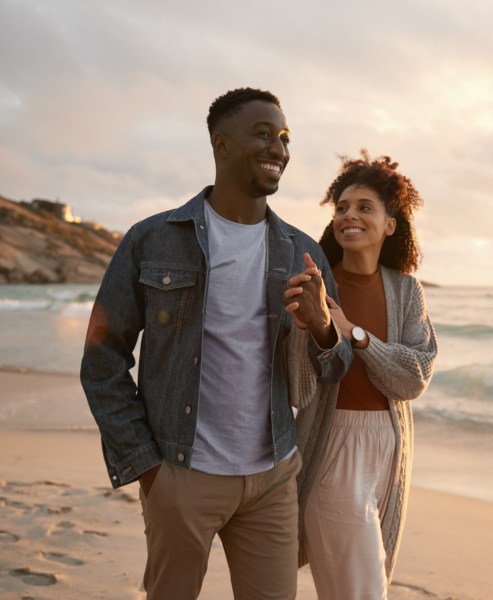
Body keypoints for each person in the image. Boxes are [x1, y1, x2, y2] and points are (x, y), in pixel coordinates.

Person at [80, 87, 352, 600]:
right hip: (182, 474)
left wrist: (322, 326)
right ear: (221, 144)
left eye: (286, 138)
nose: (280, 149)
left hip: (272, 476)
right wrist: (147, 466)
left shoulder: (303, 251)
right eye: (264, 135)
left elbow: (334, 368)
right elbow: (102, 358)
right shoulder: (152, 239)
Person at [284, 150, 438, 600]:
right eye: (342, 208)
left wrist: (355, 334)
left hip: (390, 450)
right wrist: (313, 326)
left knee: (364, 582)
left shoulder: (406, 290)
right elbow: (298, 385)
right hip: (330, 445)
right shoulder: (315, 284)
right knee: (362, 591)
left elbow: (414, 378)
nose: (349, 215)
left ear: (391, 224)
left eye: (364, 207)